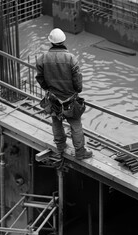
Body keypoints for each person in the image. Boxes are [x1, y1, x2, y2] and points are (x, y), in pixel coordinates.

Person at [35, 28, 92, 160]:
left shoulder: (42, 59)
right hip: (70, 99)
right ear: (64, 40)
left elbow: (40, 78)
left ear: (51, 42)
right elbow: (78, 81)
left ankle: (60, 145)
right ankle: (80, 152)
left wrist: (48, 89)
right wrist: (77, 91)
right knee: (75, 124)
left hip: (53, 98)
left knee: (56, 120)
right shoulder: (71, 59)